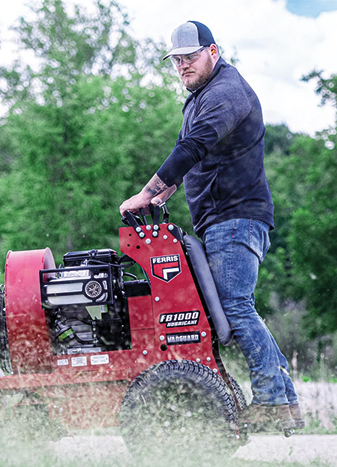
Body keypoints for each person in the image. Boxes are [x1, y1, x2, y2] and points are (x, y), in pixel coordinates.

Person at [119, 21, 304, 431]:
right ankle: (284, 403)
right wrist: (171, 189)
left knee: (236, 307)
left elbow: (193, 146)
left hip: (236, 219)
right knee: (234, 309)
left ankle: (273, 402)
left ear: (213, 52)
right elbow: (205, 154)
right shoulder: (205, 95)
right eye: (177, 60)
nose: (183, 65)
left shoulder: (225, 92)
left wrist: (148, 192)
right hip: (227, 220)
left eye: (191, 56)